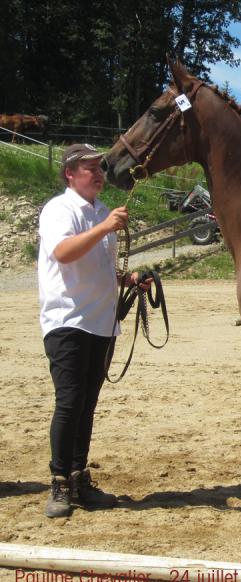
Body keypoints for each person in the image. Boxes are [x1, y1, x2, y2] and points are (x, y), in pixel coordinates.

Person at [38, 143, 146, 518]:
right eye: (89, 168)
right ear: (70, 174)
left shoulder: (101, 211)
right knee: (70, 402)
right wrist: (103, 228)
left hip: (101, 322)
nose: (98, 174)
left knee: (87, 405)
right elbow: (64, 252)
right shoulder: (59, 209)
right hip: (67, 320)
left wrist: (127, 279)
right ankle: (59, 481)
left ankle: (78, 476)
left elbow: (98, 264)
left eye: (99, 168)